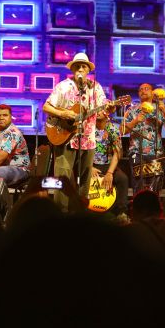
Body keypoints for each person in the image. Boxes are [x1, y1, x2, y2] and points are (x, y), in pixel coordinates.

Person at [42, 52, 108, 211]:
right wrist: (64, 113)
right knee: (62, 179)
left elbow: (101, 112)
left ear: (88, 70)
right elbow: (46, 107)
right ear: (72, 69)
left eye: (83, 66)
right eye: (77, 66)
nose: (80, 68)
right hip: (65, 137)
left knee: (85, 182)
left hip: (88, 139)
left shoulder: (96, 88)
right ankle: (61, 215)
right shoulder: (63, 86)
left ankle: (80, 215)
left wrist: (105, 111)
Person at [122, 83, 165, 193]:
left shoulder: (159, 109)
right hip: (136, 153)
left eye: (146, 89)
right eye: (140, 89)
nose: (143, 91)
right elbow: (122, 131)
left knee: (155, 186)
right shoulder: (131, 110)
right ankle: (137, 207)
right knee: (138, 185)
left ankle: (154, 208)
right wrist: (135, 121)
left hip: (156, 153)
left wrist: (164, 110)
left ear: (152, 92)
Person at [0, 104, 30, 186]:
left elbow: (1, 156)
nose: (1, 118)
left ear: (11, 117)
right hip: (3, 167)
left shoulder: (12, 132)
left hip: (19, 169)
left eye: (5, 115)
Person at [92, 120, 129, 219]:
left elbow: (117, 153)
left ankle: (120, 213)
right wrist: (89, 167)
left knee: (122, 179)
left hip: (107, 165)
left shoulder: (112, 128)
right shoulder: (88, 126)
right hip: (90, 165)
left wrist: (109, 173)